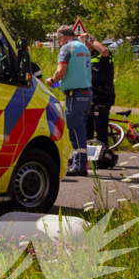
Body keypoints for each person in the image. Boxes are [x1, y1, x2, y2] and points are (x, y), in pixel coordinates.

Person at [46, 25, 92, 176]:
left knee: (74, 128)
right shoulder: (84, 48)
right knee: (81, 129)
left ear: (63, 37)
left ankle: (80, 166)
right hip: (87, 92)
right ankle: (81, 161)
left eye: (59, 39)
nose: (59, 42)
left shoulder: (66, 48)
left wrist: (51, 81)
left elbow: (61, 71)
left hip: (75, 95)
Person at [84, 34, 116, 168]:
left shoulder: (103, 56)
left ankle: (103, 157)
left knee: (101, 127)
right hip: (90, 96)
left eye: (86, 44)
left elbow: (105, 51)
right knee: (87, 128)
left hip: (103, 96)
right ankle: (88, 157)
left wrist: (90, 38)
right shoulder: (86, 57)